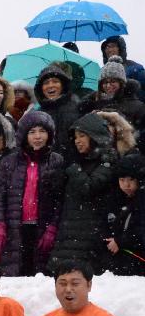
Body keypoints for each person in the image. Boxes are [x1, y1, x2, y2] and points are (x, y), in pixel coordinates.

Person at [0, 111, 65, 277]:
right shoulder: (9, 162)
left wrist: (53, 228)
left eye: (42, 131)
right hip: (15, 228)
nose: (37, 136)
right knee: (15, 275)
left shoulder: (57, 161)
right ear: (24, 135)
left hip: (42, 228)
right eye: (32, 132)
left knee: (39, 276)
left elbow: (60, 200)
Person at [47, 113, 116, 274]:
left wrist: (73, 168)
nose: (77, 140)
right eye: (76, 137)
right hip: (68, 230)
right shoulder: (78, 161)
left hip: (89, 233)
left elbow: (89, 187)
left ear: (95, 136)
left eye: (82, 136)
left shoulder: (108, 160)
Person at [78, 57, 145, 132]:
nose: (108, 86)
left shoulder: (138, 106)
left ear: (121, 83)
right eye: (105, 82)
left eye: (113, 81)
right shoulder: (94, 104)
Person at [104, 153, 145, 275]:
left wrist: (120, 241)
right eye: (122, 180)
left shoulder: (141, 199)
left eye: (131, 180)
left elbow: (141, 231)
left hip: (138, 262)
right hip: (128, 260)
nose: (126, 185)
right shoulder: (122, 199)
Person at [34, 64, 80, 158]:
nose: (51, 85)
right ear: (41, 89)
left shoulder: (77, 107)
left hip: (74, 166)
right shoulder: (37, 115)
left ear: (62, 85)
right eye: (46, 83)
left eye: (55, 81)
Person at [101, 35, 145, 101]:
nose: (109, 50)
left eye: (113, 46)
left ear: (121, 48)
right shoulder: (102, 72)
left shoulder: (135, 69)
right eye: (107, 47)